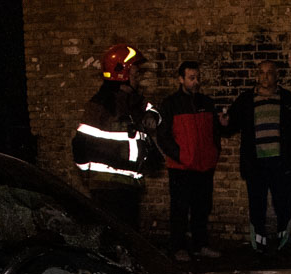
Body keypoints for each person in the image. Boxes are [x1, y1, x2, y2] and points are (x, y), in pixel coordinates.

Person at [72, 44, 160, 228]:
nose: (138, 78)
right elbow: (79, 145)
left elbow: (153, 110)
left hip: (130, 185)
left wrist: (152, 116)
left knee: (128, 236)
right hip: (108, 189)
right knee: (113, 236)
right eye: (135, 73)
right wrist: (90, 176)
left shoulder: (133, 101)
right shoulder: (101, 105)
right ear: (122, 74)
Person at [226, 60, 291, 254]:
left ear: (276, 76)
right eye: (261, 72)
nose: (265, 76)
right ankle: (258, 245)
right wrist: (223, 123)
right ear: (257, 75)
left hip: (281, 162)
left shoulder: (286, 99)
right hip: (255, 163)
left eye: (270, 72)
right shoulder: (246, 99)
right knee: (257, 205)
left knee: (283, 204)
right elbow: (231, 124)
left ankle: (284, 243)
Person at [158, 61, 227, 262]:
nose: (196, 82)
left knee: (202, 208)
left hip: (204, 165)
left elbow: (215, 131)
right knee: (180, 208)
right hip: (181, 166)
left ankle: (200, 245)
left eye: (197, 78)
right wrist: (180, 156)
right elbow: (163, 136)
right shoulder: (170, 104)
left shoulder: (207, 102)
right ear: (181, 79)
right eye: (191, 78)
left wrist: (214, 153)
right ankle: (178, 247)